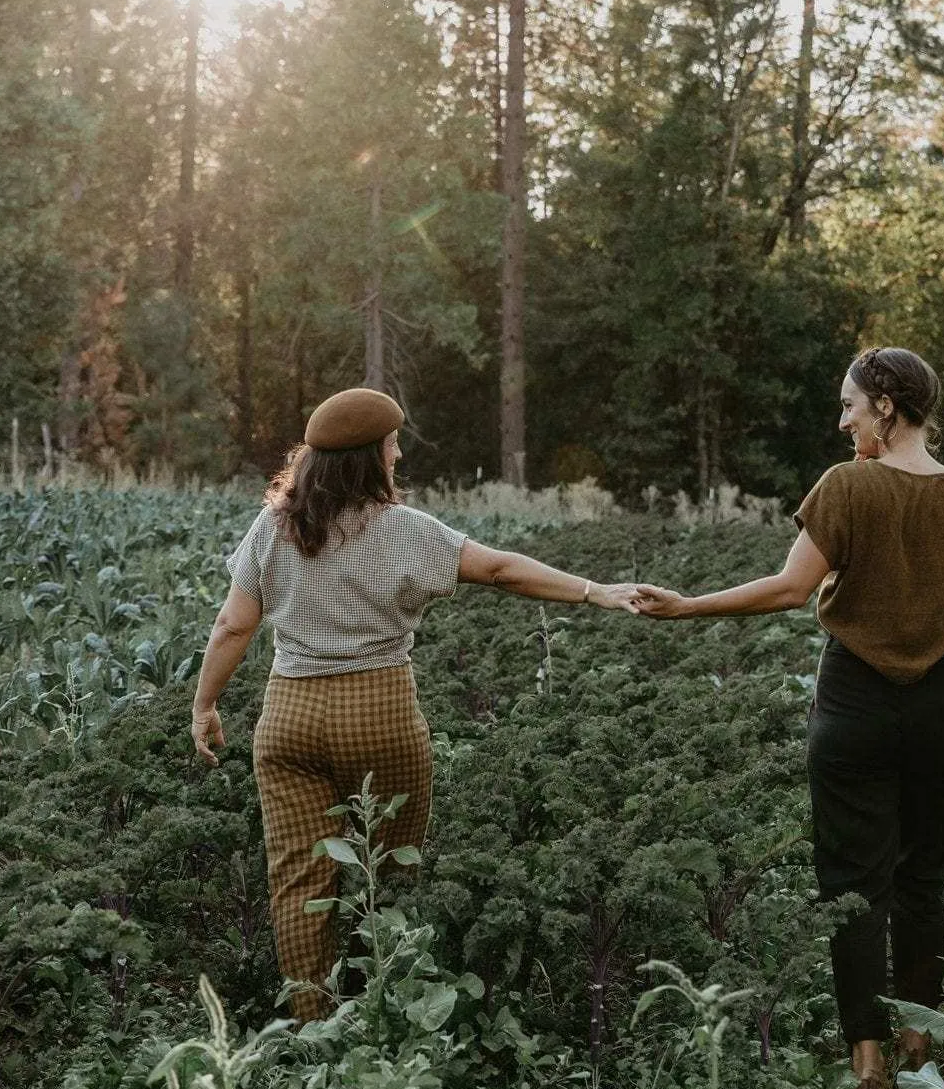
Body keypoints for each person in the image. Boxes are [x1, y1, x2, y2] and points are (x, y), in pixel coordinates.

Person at [635, 347, 944, 1089]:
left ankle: (866, 1064)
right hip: (941, 705)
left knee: (852, 888)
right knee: (924, 881)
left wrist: (689, 606)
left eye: (850, 406)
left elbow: (789, 588)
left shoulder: (846, 487)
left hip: (854, 706)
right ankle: (918, 1049)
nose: (843, 421)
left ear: (887, 408)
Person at [192, 387, 641, 1020]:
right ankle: (388, 1012)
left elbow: (232, 626)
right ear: (369, 457)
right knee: (395, 870)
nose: (399, 452)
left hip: (287, 717)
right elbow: (502, 570)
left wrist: (204, 705)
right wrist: (596, 591)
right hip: (378, 713)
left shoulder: (275, 525)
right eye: (392, 443)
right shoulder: (404, 531)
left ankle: (312, 1028)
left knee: (298, 881)